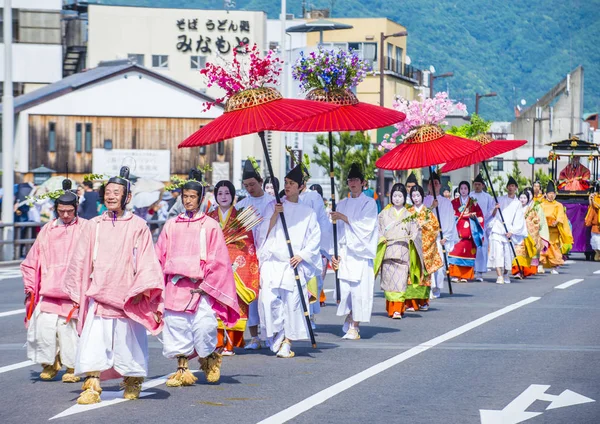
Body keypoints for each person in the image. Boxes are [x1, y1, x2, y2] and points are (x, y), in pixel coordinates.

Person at [63, 167, 164, 405]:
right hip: (98, 293)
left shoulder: (138, 225)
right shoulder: (93, 225)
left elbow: (148, 260)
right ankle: (92, 384)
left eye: (116, 192)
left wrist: (141, 289)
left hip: (127, 295)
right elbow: (80, 259)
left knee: (129, 343)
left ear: (127, 197)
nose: (110, 196)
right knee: (93, 342)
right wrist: (78, 290)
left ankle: (132, 379)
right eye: (107, 192)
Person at [155, 171, 239, 386]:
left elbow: (219, 260)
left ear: (201, 199)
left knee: (204, 327)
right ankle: (182, 370)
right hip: (176, 286)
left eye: (193, 197)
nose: (188, 200)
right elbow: (159, 255)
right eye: (185, 196)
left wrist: (206, 285)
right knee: (176, 328)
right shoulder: (171, 224)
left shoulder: (210, 226)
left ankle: (210, 357)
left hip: (201, 287)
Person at [21, 180, 87, 383]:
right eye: (61, 211)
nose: (65, 215)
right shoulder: (47, 230)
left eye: (69, 211)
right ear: (56, 209)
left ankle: (72, 366)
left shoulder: (86, 228)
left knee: (69, 332)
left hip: (74, 291)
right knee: (44, 330)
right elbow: (32, 260)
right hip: (48, 290)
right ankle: (49, 364)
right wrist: (31, 286)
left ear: (76, 209)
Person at [257, 163, 321, 358]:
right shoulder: (273, 206)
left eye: (292, 183)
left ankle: (287, 341)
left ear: (301, 187)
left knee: (292, 304)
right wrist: (276, 214)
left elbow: (314, 238)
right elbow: (262, 234)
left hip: (294, 262)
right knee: (268, 301)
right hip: (273, 262)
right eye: (285, 182)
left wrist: (302, 255)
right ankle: (277, 331)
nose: (287, 186)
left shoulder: (308, 212)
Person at [207, 180, 260, 355]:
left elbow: (247, 244)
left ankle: (230, 343)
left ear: (233, 196)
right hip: (215, 267)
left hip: (235, 267)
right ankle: (217, 342)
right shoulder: (209, 217)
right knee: (216, 303)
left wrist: (236, 263)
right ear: (215, 196)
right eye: (220, 193)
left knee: (232, 303)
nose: (223, 197)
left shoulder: (240, 218)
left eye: (227, 193)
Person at [330, 163, 378, 340]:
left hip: (360, 255)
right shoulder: (341, 203)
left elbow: (366, 228)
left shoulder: (369, 203)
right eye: (350, 179)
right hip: (345, 254)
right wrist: (332, 253)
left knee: (359, 292)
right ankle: (350, 316)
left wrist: (342, 217)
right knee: (345, 291)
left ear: (363, 182)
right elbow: (334, 232)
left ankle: (355, 327)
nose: (353, 183)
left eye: (356, 179)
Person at [236, 158, 275, 350]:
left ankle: (270, 334)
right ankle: (254, 337)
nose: (250, 188)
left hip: (269, 254)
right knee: (250, 296)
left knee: (268, 296)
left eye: (252, 184)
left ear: (260, 182)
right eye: (246, 185)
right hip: (249, 256)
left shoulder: (272, 202)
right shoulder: (241, 205)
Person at [377, 183, 423, 319]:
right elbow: (378, 230)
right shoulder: (384, 214)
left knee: (400, 283)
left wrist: (413, 237)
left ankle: (397, 310)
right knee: (389, 283)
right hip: (388, 251)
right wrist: (381, 238)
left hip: (403, 252)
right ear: (391, 197)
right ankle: (391, 308)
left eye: (400, 196)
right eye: (395, 196)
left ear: (404, 197)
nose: (397, 199)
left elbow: (416, 232)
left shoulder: (410, 215)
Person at [407, 185, 443, 308]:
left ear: (422, 196)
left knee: (425, 275)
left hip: (425, 247)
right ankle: (411, 302)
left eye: (418, 195)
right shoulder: (409, 212)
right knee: (411, 274)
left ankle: (424, 302)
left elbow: (435, 228)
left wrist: (424, 226)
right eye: (413, 196)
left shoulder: (428, 213)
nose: (416, 198)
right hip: (412, 248)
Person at [487, 177, 528, 284]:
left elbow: (519, 219)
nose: (511, 188)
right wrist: (496, 208)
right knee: (497, 253)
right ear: (506, 187)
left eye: (513, 186)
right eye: (509, 186)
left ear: (516, 188)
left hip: (509, 231)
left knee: (507, 254)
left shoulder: (517, 203)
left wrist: (512, 231)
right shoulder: (499, 199)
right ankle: (499, 275)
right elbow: (492, 215)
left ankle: (505, 273)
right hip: (497, 229)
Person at [424, 172, 457, 297]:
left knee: (439, 265)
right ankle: (429, 287)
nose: (434, 185)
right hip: (428, 237)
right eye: (431, 183)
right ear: (428, 185)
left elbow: (450, 220)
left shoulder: (446, 202)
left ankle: (437, 287)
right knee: (429, 264)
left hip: (440, 238)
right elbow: (422, 218)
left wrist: (446, 237)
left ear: (440, 185)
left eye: (436, 183)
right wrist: (432, 206)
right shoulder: (424, 201)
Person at [448, 181, 485, 282]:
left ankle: (465, 276)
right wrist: (459, 215)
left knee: (467, 255)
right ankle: (455, 275)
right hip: (457, 232)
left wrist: (473, 216)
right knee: (455, 253)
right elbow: (450, 214)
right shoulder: (454, 202)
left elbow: (480, 215)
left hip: (469, 233)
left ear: (468, 190)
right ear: (459, 190)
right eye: (461, 188)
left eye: (465, 188)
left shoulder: (473, 202)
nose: (463, 191)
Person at [512, 189, 549, 277]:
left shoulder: (531, 210)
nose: (522, 199)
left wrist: (528, 224)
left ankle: (524, 271)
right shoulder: (515, 208)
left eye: (524, 198)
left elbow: (536, 221)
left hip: (527, 235)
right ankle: (517, 271)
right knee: (517, 253)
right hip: (516, 234)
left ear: (528, 199)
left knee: (525, 254)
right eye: (521, 197)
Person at [540, 180, 573, 273]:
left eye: (553, 193)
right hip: (544, 231)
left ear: (555, 194)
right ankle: (540, 265)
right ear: (546, 194)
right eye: (549, 193)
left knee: (554, 249)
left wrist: (557, 221)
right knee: (543, 248)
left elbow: (560, 216)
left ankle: (554, 267)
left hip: (554, 231)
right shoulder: (541, 205)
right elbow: (539, 216)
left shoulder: (559, 205)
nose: (551, 195)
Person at [470, 174, 495, 281]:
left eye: (479, 184)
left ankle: (479, 271)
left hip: (482, 225)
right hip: (471, 224)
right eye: (475, 184)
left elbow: (491, 210)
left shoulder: (488, 197)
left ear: (483, 185)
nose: (477, 186)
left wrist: (483, 219)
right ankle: (470, 270)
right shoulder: (470, 195)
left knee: (481, 248)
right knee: (471, 247)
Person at [585, 184, 600, 261]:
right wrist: (590, 200)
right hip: (596, 224)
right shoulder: (596, 197)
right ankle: (597, 253)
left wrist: (594, 201)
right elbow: (592, 209)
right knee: (595, 242)